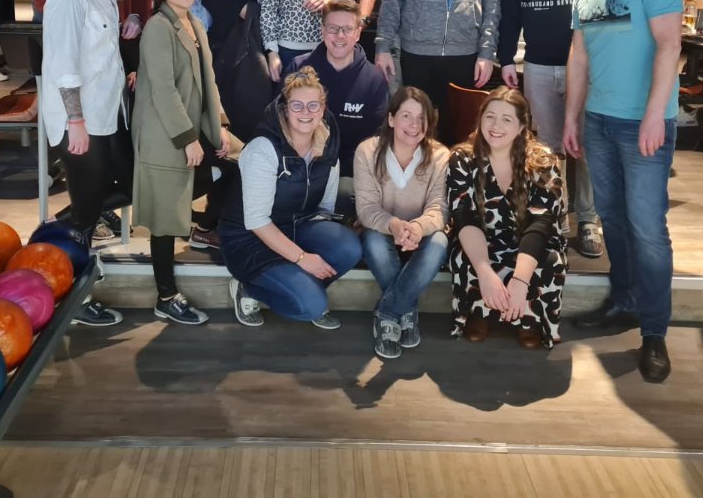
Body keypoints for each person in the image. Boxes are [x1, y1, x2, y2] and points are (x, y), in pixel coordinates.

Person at [563, 0, 682, 384]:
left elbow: (669, 46)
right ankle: (625, 300)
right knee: (611, 218)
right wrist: (571, 118)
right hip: (599, 120)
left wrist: (655, 115)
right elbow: (580, 56)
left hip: (643, 125)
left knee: (648, 228)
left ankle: (654, 331)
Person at [498, 0, 604, 260]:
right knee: (548, 148)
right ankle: (557, 216)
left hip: (586, 65)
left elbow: (605, 4)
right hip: (538, 65)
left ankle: (588, 219)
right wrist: (505, 59)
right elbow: (510, 13)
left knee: (585, 145)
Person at [132, 0, 242, 322]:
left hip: (195, 127)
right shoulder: (158, 27)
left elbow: (209, 81)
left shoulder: (194, 22)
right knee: (165, 217)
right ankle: (165, 296)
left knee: (239, 164)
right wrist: (188, 139)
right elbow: (163, 90)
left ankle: (204, 227)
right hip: (165, 134)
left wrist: (220, 126)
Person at [221, 67, 363, 329]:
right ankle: (248, 288)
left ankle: (300, 285)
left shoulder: (327, 146)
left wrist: (308, 254)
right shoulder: (263, 149)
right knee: (311, 306)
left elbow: (324, 209)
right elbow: (257, 221)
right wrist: (302, 259)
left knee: (348, 247)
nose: (305, 112)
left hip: (296, 226)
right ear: (285, 109)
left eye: (313, 105)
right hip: (250, 239)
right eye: (297, 105)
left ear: (323, 109)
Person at [41, 0, 130, 327]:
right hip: (80, 119)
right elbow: (64, 66)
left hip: (106, 113)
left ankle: (56, 230)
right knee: (88, 213)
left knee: (120, 189)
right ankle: (72, 296)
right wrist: (75, 120)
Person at [447, 86, 567, 348]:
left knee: (550, 260)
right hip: (483, 238)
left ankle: (529, 318)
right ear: (480, 119)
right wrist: (485, 272)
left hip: (530, 240)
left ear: (522, 126)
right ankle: (480, 312)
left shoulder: (543, 160)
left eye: (506, 119)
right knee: (463, 255)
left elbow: (541, 223)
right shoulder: (462, 159)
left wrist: (520, 281)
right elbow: (464, 217)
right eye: (490, 116)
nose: (496, 126)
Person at [355, 86, 450, 359]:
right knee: (373, 241)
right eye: (406, 116)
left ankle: (389, 313)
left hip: (422, 233)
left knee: (440, 242)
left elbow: (439, 208)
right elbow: (367, 208)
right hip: (381, 230)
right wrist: (394, 225)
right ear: (391, 118)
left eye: (422, 118)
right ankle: (406, 310)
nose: (414, 125)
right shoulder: (368, 151)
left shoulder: (440, 155)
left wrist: (418, 227)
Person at [285, 0, 388, 207]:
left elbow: (377, 139)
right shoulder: (299, 68)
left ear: (358, 33)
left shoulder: (374, 80)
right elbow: (279, 122)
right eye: (333, 28)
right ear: (322, 31)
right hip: (300, 166)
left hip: (346, 172)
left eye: (347, 29)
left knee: (346, 194)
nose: (340, 36)